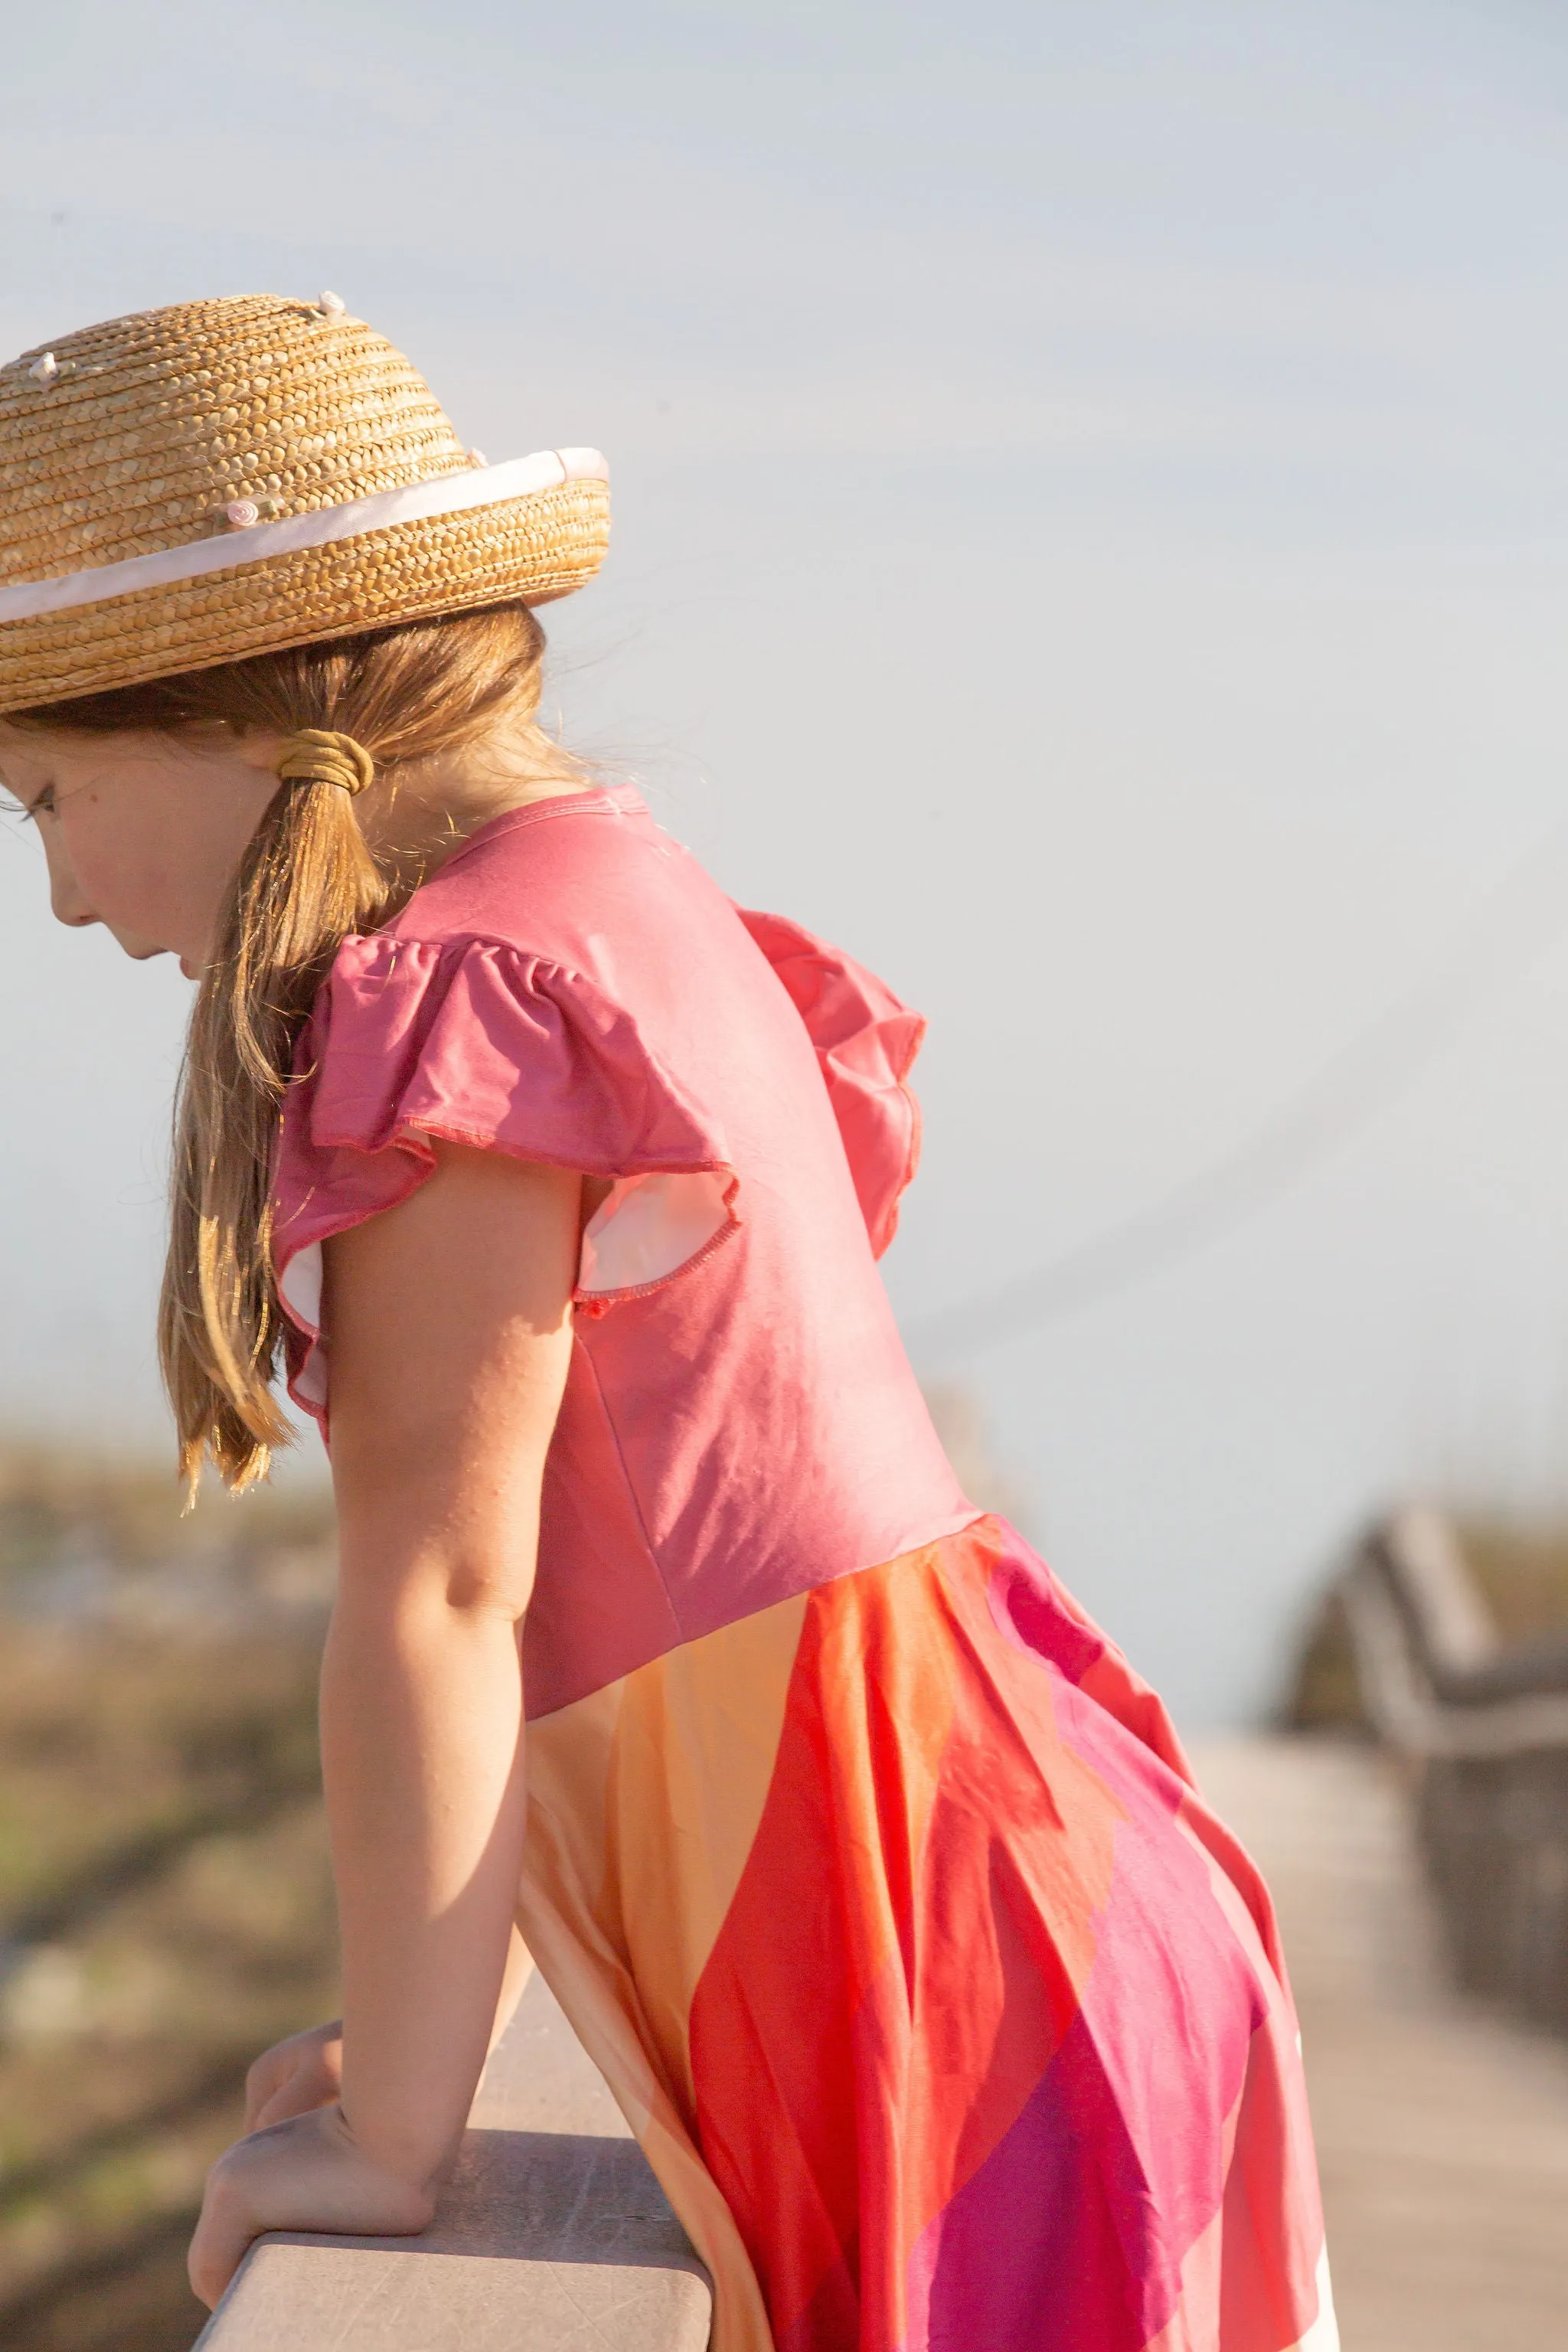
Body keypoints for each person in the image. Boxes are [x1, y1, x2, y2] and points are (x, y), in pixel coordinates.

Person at [0, 295, 1336, 2351]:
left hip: (893, 1964)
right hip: (1018, 1884)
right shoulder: (618, 897)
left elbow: (444, 1598)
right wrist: (398, 2021)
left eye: (46, 800)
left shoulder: (453, 1004)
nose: (67, 895)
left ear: (233, 721)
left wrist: (405, 2135)